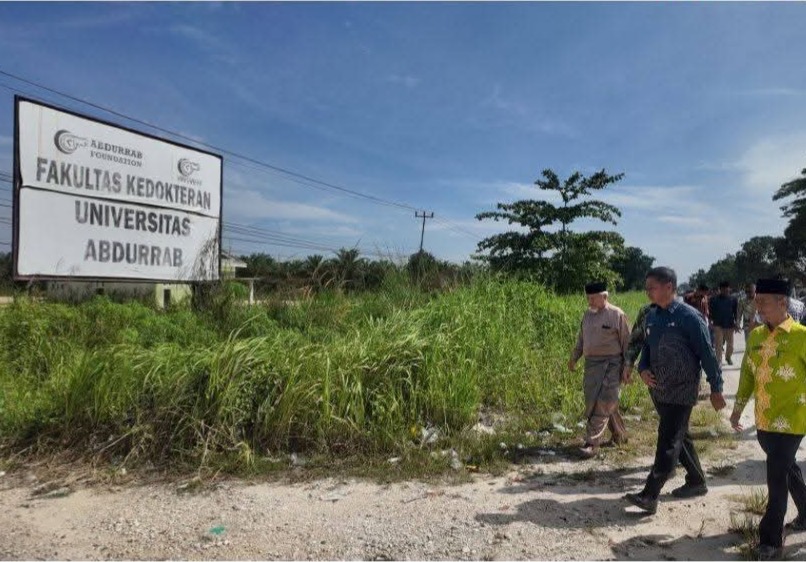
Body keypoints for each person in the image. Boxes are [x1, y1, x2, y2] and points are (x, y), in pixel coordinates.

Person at [624, 267, 725, 515]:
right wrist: (642, 368)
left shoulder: (689, 317)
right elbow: (646, 345)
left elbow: (707, 354)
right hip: (658, 387)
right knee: (678, 433)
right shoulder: (651, 315)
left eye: (652, 287)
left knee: (668, 439)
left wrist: (716, 387)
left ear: (669, 287)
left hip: (682, 388)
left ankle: (650, 494)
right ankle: (697, 480)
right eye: (647, 288)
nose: (648, 292)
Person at [730, 277, 806, 561]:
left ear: (783, 303)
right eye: (756, 301)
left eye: (763, 302)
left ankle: (770, 540)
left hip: (793, 419)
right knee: (786, 467)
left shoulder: (801, 336)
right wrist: (737, 409)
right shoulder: (757, 336)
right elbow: (747, 374)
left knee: (776, 475)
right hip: (764, 418)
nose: (757, 306)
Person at [568, 281, 630, 458]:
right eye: (588, 298)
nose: (590, 302)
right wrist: (574, 357)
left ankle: (591, 443)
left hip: (612, 364)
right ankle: (620, 434)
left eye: (593, 298)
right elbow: (582, 340)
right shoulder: (587, 315)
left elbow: (627, 342)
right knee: (598, 402)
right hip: (591, 365)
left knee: (604, 401)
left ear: (604, 296)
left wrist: (628, 366)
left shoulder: (617, 314)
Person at [709, 281, 739, 365]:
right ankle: (719, 361)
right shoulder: (713, 299)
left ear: (729, 289)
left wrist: (736, 323)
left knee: (731, 345)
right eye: (723, 289)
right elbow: (710, 312)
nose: (725, 290)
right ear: (720, 289)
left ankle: (728, 357)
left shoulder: (733, 299)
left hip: (729, 324)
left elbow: (736, 312)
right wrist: (710, 322)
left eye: (726, 289)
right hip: (718, 324)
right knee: (718, 344)